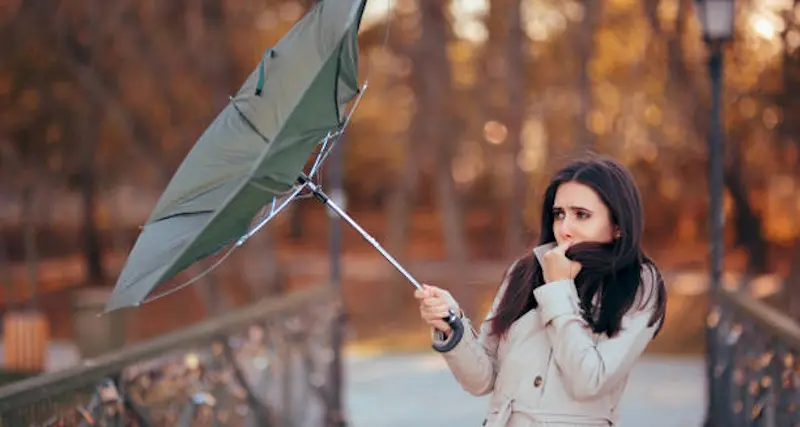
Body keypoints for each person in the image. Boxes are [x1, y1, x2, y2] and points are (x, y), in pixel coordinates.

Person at [415, 156, 668, 427]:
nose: (565, 228)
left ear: (618, 225)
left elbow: (589, 381)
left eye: (581, 215)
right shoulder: (525, 271)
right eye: (559, 214)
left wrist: (559, 289)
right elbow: (482, 380)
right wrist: (453, 324)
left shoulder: (637, 283)